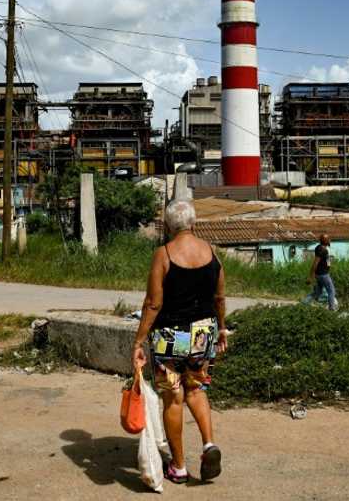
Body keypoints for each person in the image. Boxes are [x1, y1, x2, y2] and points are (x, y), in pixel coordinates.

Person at [132, 199, 229, 484]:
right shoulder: (211, 252)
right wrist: (221, 328)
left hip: (170, 337)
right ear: (193, 224)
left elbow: (153, 303)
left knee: (173, 398)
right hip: (203, 333)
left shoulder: (163, 254)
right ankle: (209, 444)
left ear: (168, 226)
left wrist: (139, 340)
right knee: (196, 390)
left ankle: (179, 466)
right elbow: (220, 297)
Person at [304, 233, 338, 310]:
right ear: (325, 241)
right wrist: (310, 277)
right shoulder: (322, 250)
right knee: (331, 291)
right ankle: (331, 309)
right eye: (328, 239)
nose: (330, 240)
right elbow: (315, 263)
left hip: (320, 274)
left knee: (318, 292)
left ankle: (304, 303)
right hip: (323, 275)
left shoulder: (320, 248)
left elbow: (324, 262)